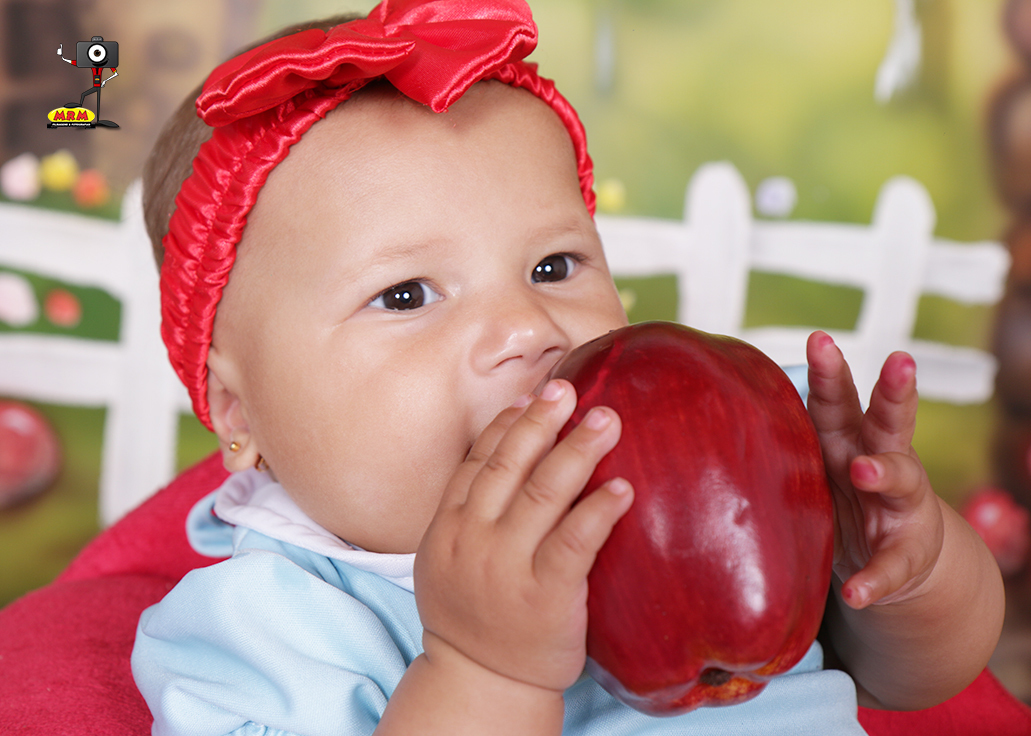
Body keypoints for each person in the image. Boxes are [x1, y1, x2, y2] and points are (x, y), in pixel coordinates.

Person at [131, 1, 1005, 734]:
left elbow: (910, 682)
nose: (525, 327)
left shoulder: (711, 461)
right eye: (404, 295)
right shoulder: (271, 624)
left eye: (553, 266)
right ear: (237, 411)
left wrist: (901, 570)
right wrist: (483, 668)